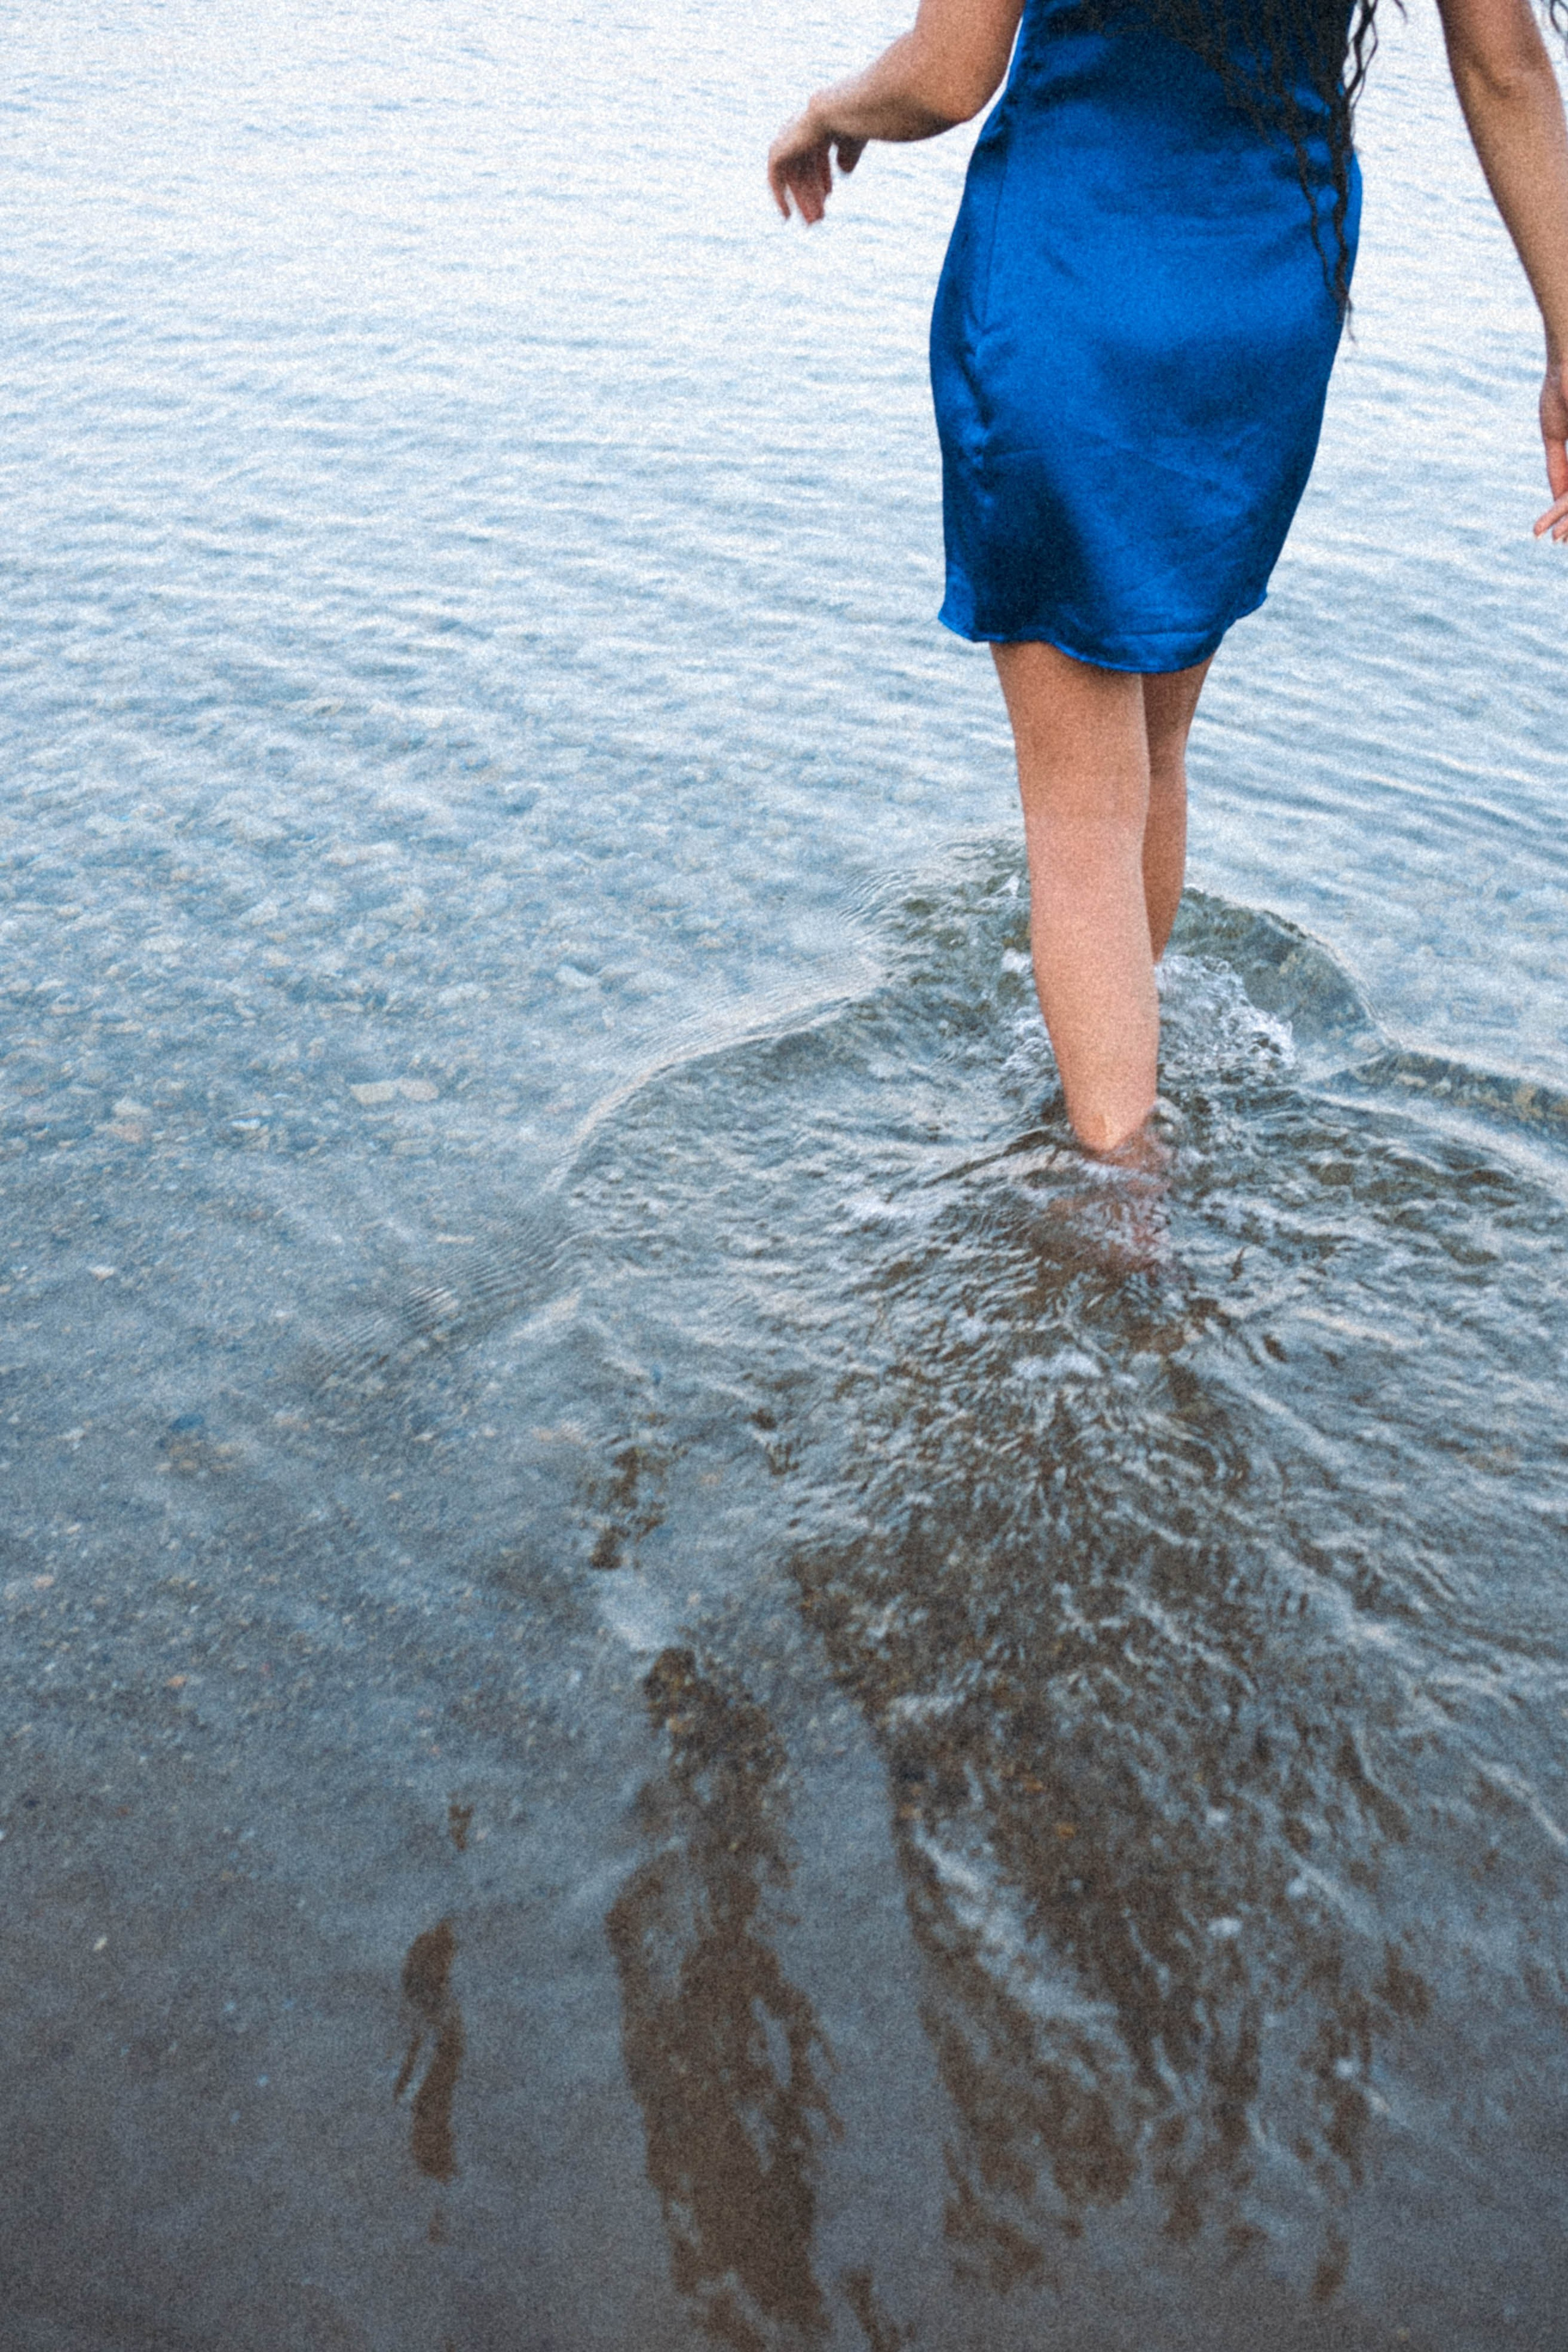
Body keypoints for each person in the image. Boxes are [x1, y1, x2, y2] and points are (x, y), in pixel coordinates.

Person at [768, 0, 1568, 1155]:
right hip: (1264, 292)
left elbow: (949, 75)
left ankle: (1118, 1211)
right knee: (1150, 746)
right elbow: (1504, 67)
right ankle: (1116, 1091)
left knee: (1080, 814)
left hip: (1076, 281)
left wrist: (828, 111)